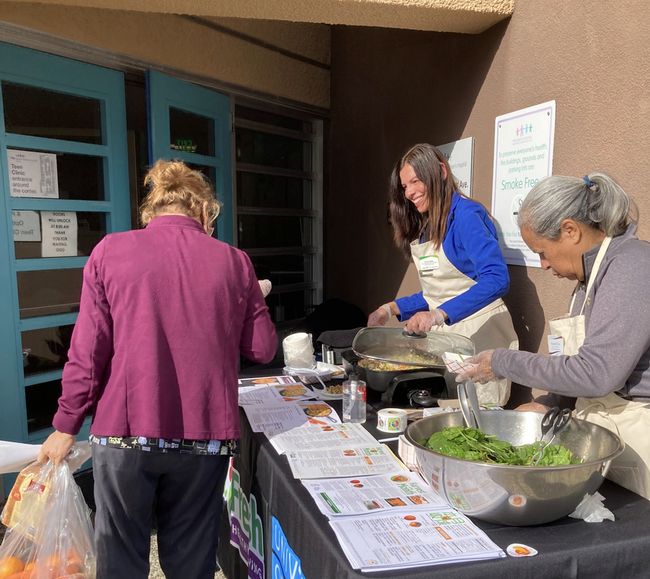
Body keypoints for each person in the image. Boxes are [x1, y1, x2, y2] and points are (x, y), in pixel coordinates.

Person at [37, 160, 278, 579]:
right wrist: (252, 300)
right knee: (190, 566)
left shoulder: (109, 252)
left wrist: (66, 423)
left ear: (151, 211)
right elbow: (262, 348)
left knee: (120, 563)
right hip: (203, 442)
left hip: (125, 436)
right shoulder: (235, 262)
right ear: (205, 212)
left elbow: (88, 350)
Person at [458, 172, 650, 498]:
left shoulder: (632, 267)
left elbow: (598, 374)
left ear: (570, 231)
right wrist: (547, 405)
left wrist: (504, 362)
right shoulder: (586, 282)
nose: (544, 265)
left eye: (543, 252)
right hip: (606, 438)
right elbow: (575, 370)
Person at [367, 143, 518, 406]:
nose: (410, 192)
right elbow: (437, 292)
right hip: (450, 342)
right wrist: (388, 309)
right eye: (405, 186)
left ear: (441, 172)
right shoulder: (429, 225)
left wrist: (438, 314)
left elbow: (497, 278)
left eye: (415, 181)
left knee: (478, 422)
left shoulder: (467, 216)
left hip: (480, 338)